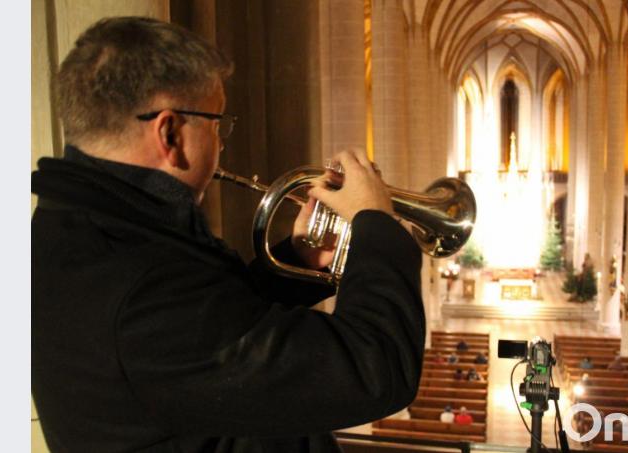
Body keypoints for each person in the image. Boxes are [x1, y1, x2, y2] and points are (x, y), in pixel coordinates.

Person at [31, 17, 425, 453]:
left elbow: (214, 338)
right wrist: (377, 225)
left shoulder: (81, 229)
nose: (221, 144)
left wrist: (296, 261)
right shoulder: (138, 284)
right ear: (170, 133)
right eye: (218, 125)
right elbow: (377, 368)